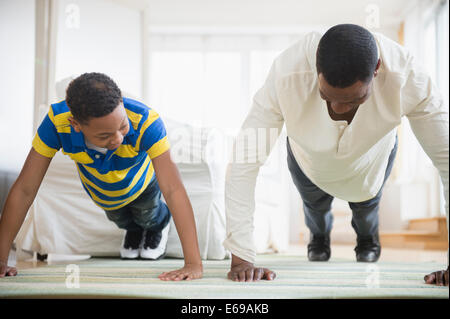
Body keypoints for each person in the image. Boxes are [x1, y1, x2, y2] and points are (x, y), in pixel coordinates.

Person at [224, 24, 449, 285]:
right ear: (315, 70)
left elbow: (447, 161)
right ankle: (319, 238)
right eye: (326, 96)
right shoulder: (286, 73)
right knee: (315, 213)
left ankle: (367, 241)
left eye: (354, 100)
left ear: (376, 70)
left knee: (366, 212)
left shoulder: (408, 76)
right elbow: (244, 160)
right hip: (307, 160)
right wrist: (241, 256)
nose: (338, 108)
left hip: (370, 162)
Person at [0, 72, 203, 281]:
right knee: (122, 220)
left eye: (123, 126)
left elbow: (173, 188)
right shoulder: (56, 123)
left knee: (147, 214)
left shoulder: (146, 122)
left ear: (122, 103)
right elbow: (25, 188)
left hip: (142, 186)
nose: (118, 138)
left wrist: (193, 264)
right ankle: (133, 231)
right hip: (103, 193)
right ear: (75, 124)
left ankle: (157, 225)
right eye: (104, 136)